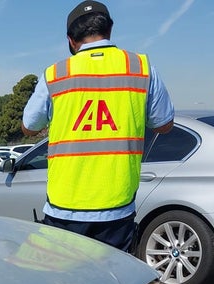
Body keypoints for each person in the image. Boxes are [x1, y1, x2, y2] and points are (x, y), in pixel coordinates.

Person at [21, 1, 174, 252]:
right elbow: (164, 124)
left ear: (71, 40)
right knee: (114, 275)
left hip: (65, 206)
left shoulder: (55, 73)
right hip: (117, 206)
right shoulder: (141, 68)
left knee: (65, 274)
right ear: (110, 30)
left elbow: (29, 126)